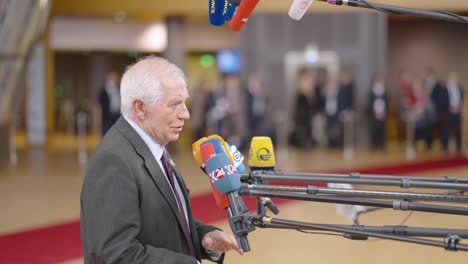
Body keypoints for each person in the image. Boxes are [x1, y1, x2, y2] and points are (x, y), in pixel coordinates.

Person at [81, 56, 242, 263]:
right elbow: (116, 254)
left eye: (184, 102)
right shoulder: (113, 161)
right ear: (140, 108)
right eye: (175, 104)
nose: (185, 114)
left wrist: (204, 237)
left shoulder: (152, 144)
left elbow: (164, 218)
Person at [98, 71, 121, 136]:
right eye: (112, 77)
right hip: (107, 117)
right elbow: (100, 102)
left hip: (117, 116)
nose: (114, 79)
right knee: (107, 134)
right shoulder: (103, 90)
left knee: (117, 134)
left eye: (115, 77)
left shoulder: (119, 89)